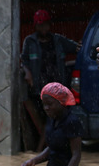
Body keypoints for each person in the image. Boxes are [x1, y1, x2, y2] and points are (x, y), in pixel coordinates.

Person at [20, 10, 82, 150]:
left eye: (46, 25)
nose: (44, 29)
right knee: (47, 121)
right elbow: (23, 60)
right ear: (35, 26)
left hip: (57, 89)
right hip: (39, 90)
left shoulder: (58, 40)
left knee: (53, 120)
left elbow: (77, 48)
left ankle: (41, 151)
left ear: (50, 25)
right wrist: (27, 72)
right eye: (40, 26)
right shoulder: (30, 42)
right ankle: (43, 150)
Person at [18, 83, 84, 166]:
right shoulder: (52, 120)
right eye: (44, 104)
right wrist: (33, 161)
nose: (46, 108)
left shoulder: (72, 121)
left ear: (61, 102)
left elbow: (76, 155)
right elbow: (53, 148)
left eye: (50, 104)